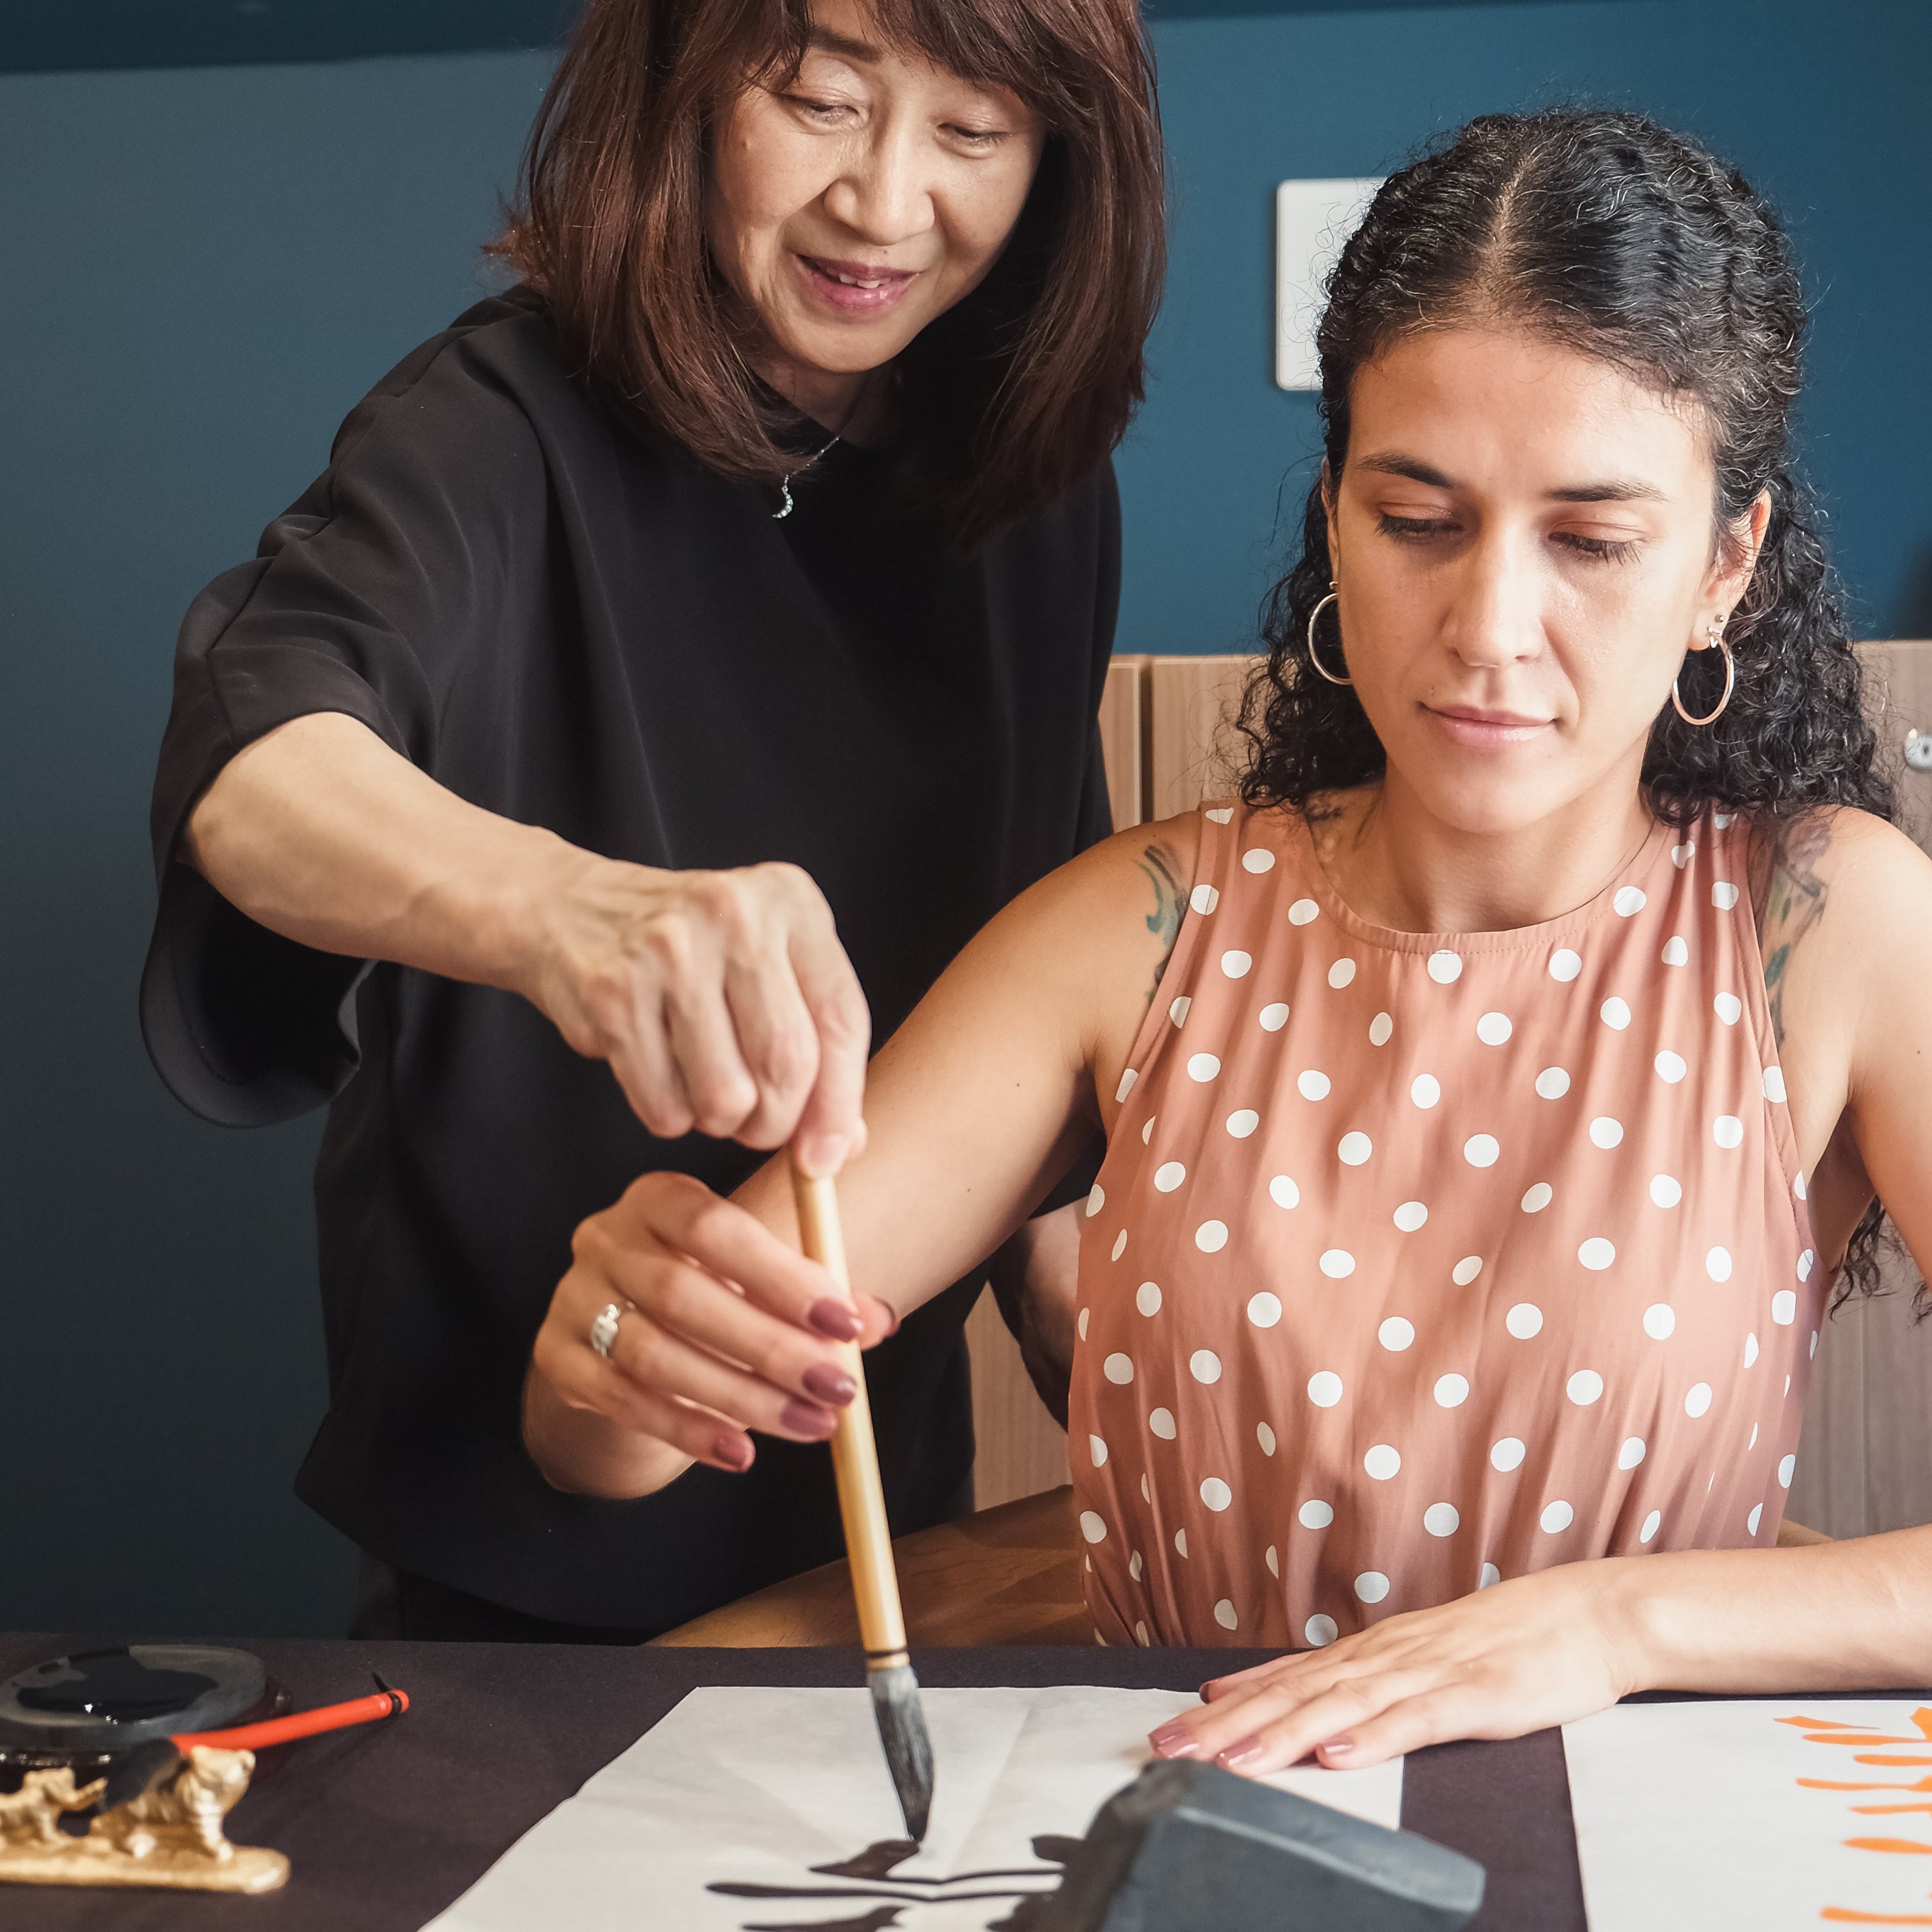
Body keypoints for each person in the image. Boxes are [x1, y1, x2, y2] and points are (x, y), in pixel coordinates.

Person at [531, 106, 1932, 1760]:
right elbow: (610, 1444)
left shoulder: (1826, 921)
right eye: (1418, 518)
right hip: (1183, 1833)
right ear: (1335, 512)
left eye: (1592, 540)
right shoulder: (1134, 930)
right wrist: (613, 1343)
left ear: (1726, 565)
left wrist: (1612, 1623)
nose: (1490, 626)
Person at [141, 0, 1164, 1641]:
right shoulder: (498, 422)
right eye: (822, 100)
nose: (887, 202)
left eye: (973, 133)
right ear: (682, 86)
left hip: (865, 1498)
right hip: (520, 1518)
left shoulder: (1034, 491)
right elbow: (255, 760)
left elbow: (1041, 920)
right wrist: (570, 911)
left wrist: (1063, 1252)